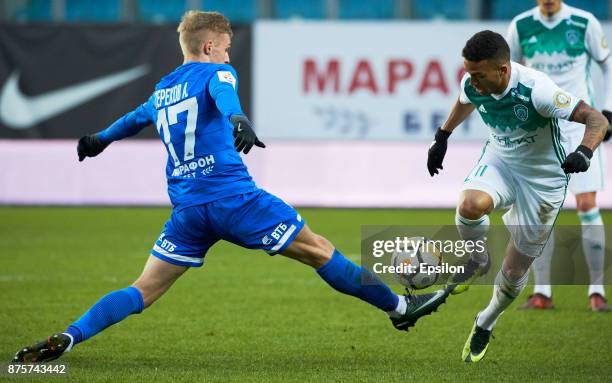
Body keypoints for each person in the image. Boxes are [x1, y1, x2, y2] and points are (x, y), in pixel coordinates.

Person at [11, 10, 453, 363]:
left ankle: (72, 336)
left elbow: (131, 120)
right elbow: (225, 93)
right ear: (208, 46)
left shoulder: (163, 89)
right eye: (224, 49)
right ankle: (400, 308)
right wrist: (239, 117)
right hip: (235, 199)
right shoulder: (217, 74)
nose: (227, 56)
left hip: (188, 211)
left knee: (143, 288)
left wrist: (98, 140)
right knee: (319, 250)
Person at [427, 30, 608, 362]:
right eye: (468, 73)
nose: (472, 81)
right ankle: (478, 258)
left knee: (512, 272)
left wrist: (585, 151)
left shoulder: (538, 91)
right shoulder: (474, 82)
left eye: (479, 75)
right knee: (470, 205)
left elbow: (595, 119)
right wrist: (442, 136)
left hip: (543, 180)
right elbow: (466, 99)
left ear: (503, 70)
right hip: (500, 160)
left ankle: (487, 318)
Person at [507, 0, 611, 312]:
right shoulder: (521, 26)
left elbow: (606, 63)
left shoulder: (584, 22)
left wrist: (607, 110)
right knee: (540, 211)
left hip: (581, 127)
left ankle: (596, 291)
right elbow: (510, 75)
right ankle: (542, 292)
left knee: (587, 205)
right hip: (540, 132)